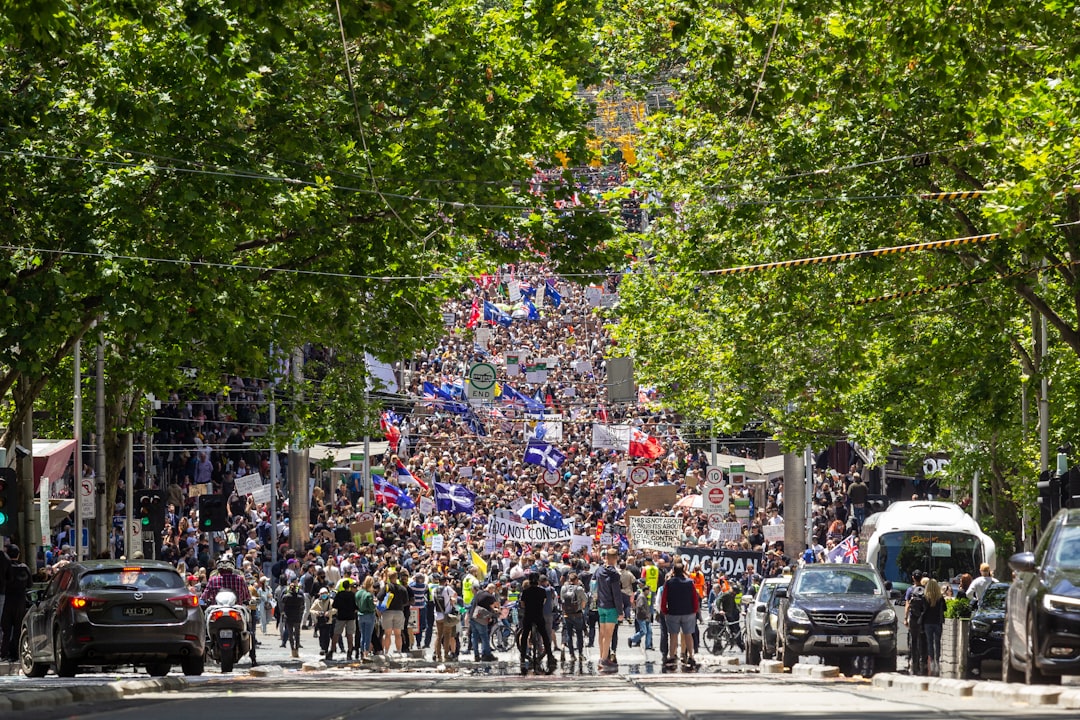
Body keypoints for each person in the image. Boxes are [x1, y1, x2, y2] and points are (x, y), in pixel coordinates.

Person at [661, 559, 699, 670]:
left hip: (673, 612)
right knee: (688, 634)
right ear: (683, 571)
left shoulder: (669, 582)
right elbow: (694, 597)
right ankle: (691, 656)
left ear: (673, 571)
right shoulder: (690, 582)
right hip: (688, 612)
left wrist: (664, 610)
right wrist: (695, 610)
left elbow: (664, 598)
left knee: (673, 635)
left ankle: (672, 656)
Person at [518, 572, 555, 671]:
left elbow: (522, 604)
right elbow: (543, 602)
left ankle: (522, 656)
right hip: (539, 615)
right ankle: (550, 655)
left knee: (525, 634)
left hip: (529, 615)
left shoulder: (526, 591)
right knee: (544, 635)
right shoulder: (541, 591)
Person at [595, 547, 624, 672]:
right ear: (616, 558)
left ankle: (601, 656)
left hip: (600, 605)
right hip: (611, 606)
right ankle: (604, 659)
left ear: (605, 557)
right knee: (608, 634)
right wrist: (620, 611)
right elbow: (616, 593)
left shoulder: (599, 570)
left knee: (601, 633)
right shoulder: (614, 574)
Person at [1, 545, 31, 661]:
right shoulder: (24, 568)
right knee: (18, 628)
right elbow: (29, 584)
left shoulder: (5, 568)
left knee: (6, 629)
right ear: (18, 554)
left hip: (7, 600)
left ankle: (4, 653)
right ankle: (17, 653)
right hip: (20, 601)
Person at [379, 569, 410, 655]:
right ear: (396, 577)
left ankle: (386, 652)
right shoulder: (402, 588)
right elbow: (406, 601)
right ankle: (399, 651)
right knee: (398, 634)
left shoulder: (386, 587)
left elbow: (379, 597)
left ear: (389, 577)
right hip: (399, 612)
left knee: (387, 634)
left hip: (387, 612)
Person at [432, 573, 460, 662]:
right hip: (446, 615)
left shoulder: (434, 590)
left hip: (437, 616)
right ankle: (446, 655)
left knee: (438, 636)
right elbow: (455, 595)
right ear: (445, 581)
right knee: (447, 635)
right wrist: (452, 600)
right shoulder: (447, 589)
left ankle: (437, 655)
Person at [560, 572, 587, 660]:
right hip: (577, 614)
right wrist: (581, 608)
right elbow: (585, 600)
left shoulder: (564, 588)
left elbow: (562, 599)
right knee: (579, 634)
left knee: (569, 633)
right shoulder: (579, 589)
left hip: (567, 614)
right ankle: (580, 653)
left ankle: (571, 654)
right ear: (576, 580)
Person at [328, 577, 358, 660]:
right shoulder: (352, 595)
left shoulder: (339, 594)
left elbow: (334, 605)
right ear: (349, 587)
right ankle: (350, 651)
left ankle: (332, 650)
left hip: (340, 616)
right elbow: (356, 606)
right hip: (351, 616)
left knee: (336, 634)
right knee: (350, 635)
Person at [470, 581, 500, 662]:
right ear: (492, 589)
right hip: (480, 619)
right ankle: (487, 655)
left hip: (472, 617)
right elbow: (496, 607)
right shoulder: (490, 596)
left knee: (475, 636)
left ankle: (476, 655)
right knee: (484, 636)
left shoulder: (479, 593)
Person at [905, 577, 928, 676]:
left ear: (913, 578)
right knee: (923, 641)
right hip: (923, 620)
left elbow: (907, 605)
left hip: (913, 619)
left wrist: (906, 618)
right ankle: (923, 662)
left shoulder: (910, 590)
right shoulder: (925, 591)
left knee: (913, 641)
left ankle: (914, 663)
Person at [923, 578, 945, 676]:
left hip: (928, 622)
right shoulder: (940, 598)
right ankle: (937, 659)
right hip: (937, 622)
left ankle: (931, 660)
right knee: (937, 642)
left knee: (929, 642)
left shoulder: (925, 598)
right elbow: (945, 608)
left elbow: (922, 609)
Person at [280, 578, 306, 658]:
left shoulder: (286, 596)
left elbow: (281, 601)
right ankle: (297, 650)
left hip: (288, 617)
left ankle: (292, 650)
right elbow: (303, 604)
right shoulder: (300, 597)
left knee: (290, 634)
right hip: (297, 616)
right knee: (297, 634)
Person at [355, 576, 378, 661]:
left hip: (360, 615)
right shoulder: (369, 595)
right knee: (368, 636)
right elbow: (372, 607)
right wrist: (375, 604)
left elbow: (356, 603)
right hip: (369, 615)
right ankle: (366, 654)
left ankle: (362, 653)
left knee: (362, 635)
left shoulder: (358, 593)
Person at [628, 580, 654, 650]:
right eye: (648, 591)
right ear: (645, 590)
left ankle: (648, 645)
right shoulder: (641, 597)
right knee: (644, 631)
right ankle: (632, 639)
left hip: (647, 617)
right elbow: (640, 607)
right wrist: (645, 614)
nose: (649, 592)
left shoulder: (645, 597)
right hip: (642, 617)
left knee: (649, 631)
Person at [309, 586, 335, 657]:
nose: (324, 595)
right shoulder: (317, 601)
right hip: (320, 621)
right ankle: (322, 648)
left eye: (325, 593)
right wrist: (317, 612)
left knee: (327, 636)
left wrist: (329, 612)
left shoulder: (331, 601)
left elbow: (335, 610)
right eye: (322, 593)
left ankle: (325, 649)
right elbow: (311, 610)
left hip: (328, 621)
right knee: (321, 635)